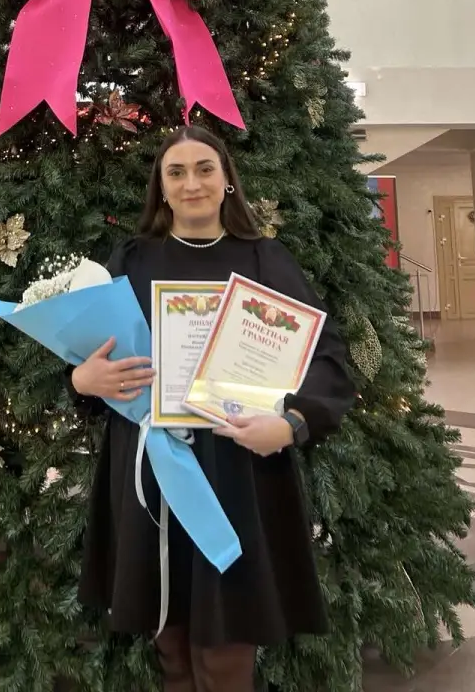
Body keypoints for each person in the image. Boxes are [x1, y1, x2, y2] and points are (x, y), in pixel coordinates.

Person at [70, 126, 356, 692]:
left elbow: (326, 358)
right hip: (150, 466)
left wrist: (291, 425)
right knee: (168, 633)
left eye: (205, 169)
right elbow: (92, 351)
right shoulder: (132, 259)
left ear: (227, 181)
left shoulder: (265, 259)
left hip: (239, 469)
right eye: (175, 172)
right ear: (161, 187)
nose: (191, 183)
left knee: (228, 639)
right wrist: (82, 378)